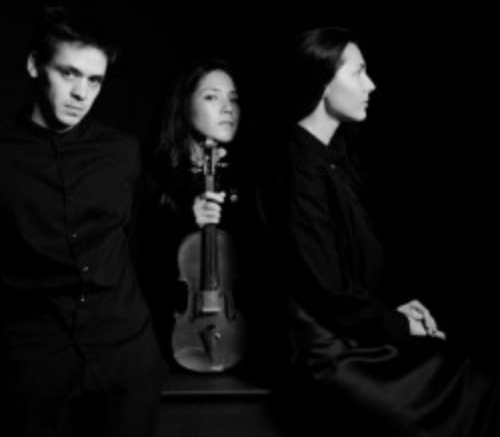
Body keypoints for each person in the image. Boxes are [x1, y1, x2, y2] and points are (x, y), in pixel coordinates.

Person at [258, 27, 500, 436]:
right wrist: (399, 325)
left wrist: (396, 311)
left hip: (348, 336)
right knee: (469, 386)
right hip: (326, 353)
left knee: (471, 375)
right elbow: (325, 290)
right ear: (324, 82)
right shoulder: (298, 165)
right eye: (358, 72)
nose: (370, 84)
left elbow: (348, 271)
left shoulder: (328, 157)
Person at [0, 6, 162, 437]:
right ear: (35, 65)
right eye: (69, 74)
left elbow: (141, 241)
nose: (81, 93)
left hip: (126, 363)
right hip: (34, 372)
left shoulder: (122, 152)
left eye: (94, 80)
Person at [138, 58, 254, 372]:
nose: (228, 108)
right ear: (183, 105)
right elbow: (142, 264)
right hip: (165, 334)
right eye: (212, 97)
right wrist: (186, 222)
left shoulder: (248, 175)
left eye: (233, 99)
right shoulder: (154, 177)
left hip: (243, 332)